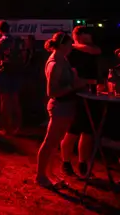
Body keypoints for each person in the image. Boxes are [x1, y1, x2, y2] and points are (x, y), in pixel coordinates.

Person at [36, 32, 86, 188]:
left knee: (54, 143)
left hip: (66, 106)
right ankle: (41, 176)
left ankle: (49, 174)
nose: (71, 47)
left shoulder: (62, 59)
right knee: (49, 142)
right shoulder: (55, 64)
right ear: (63, 45)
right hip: (60, 106)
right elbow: (51, 91)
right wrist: (73, 86)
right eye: (70, 44)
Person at [60, 26, 103, 177]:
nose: (91, 38)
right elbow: (72, 76)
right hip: (76, 95)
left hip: (91, 94)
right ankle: (66, 162)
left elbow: (96, 50)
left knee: (88, 131)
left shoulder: (88, 49)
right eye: (87, 35)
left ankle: (82, 163)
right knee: (73, 130)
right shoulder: (72, 52)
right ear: (80, 35)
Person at [0, 21, 24, 136]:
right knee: (15, 99)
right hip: (16, 72)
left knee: (4, 101)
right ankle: (18, 126)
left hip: (5, 72)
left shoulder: (0, 42)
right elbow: (23, 56)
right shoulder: (17, 40)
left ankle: (7, 128)